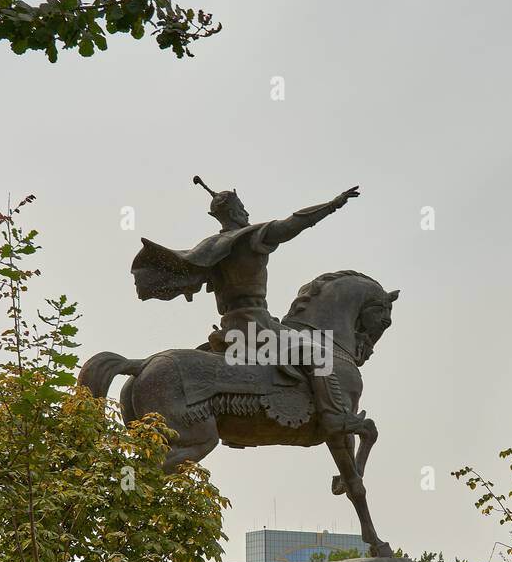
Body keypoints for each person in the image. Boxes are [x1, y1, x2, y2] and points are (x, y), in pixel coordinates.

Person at [130, 177, 362, 435]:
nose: (246, 212)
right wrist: (333, 204)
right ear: (235, 211)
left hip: (230, 326)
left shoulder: (211, 248)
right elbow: (294, 223)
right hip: (255, 322)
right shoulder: (251, 237)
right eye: (242, 207)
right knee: (317, 354)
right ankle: (334, 417)